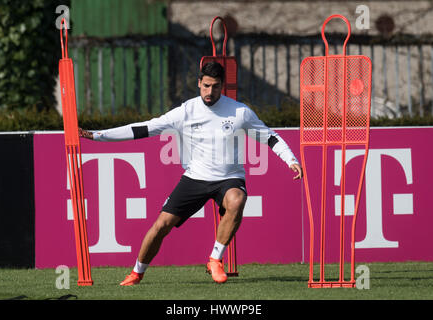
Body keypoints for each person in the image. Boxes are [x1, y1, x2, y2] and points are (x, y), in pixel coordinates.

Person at [79, 62, 303, 285]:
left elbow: (270, 137)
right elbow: (143, 128)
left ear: (222, 86)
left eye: (215, 86)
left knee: (237, 200)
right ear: (199, 83)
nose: (209, 91)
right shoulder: (186, 111)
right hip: (195, 178)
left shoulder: (240, 112)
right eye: (205, 86)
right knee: (161, 226)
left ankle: (215, 259)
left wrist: (290, 159)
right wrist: (98, 136)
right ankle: (137, 273)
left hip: (229, 177)